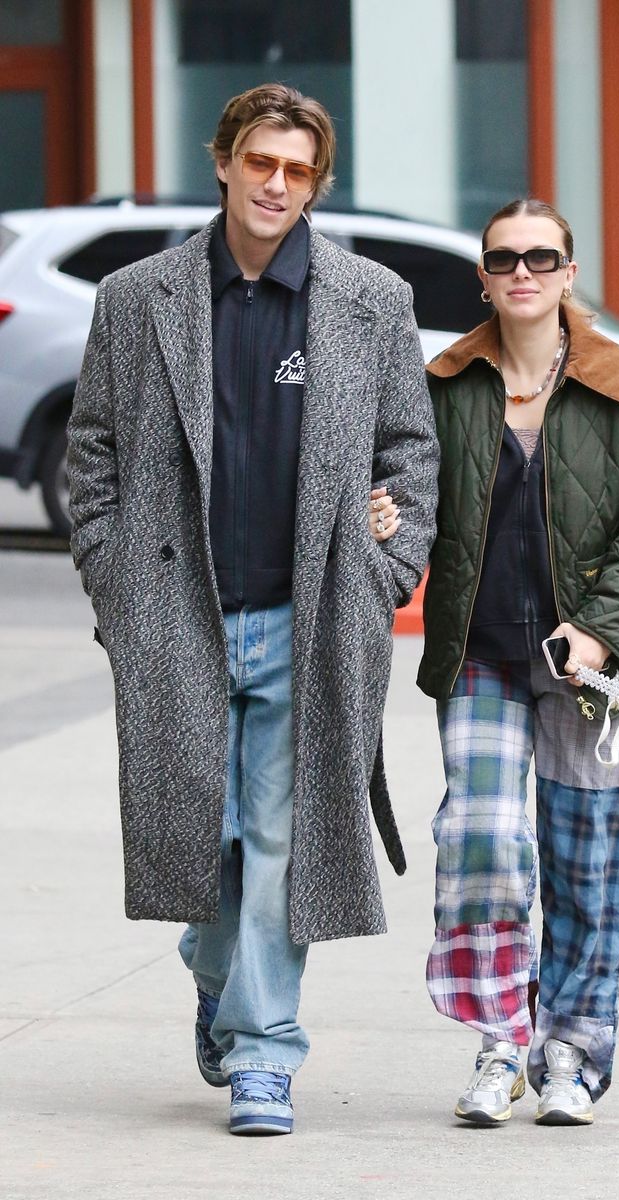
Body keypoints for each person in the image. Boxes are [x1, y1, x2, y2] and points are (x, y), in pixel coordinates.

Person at [67, 83, 438, 1137]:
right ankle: (217, 969)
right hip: (176, 612)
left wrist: (388, 561)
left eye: (299, 169)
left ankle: (265, 1051)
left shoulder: (371, 301)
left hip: (311, 617)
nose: (278, 184)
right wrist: (118, 587)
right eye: (260, 162)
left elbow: (411, 453)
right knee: (209, 833)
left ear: (317, 181)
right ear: (224, 161)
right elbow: (91, 454)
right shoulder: (138, 297)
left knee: (279, 834)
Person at [408, 197, 619, 1126]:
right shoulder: (445, 384)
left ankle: (570, 1048)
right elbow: (410, 495)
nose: (521, 272)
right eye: (503, 259)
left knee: (588, 855)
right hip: (480, 654)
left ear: (569, 272)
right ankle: (500, 1041)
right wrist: (386, 520)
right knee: (481, 838)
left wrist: (600, 630)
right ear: (482, 277)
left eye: (541, 257)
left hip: (594, 672)